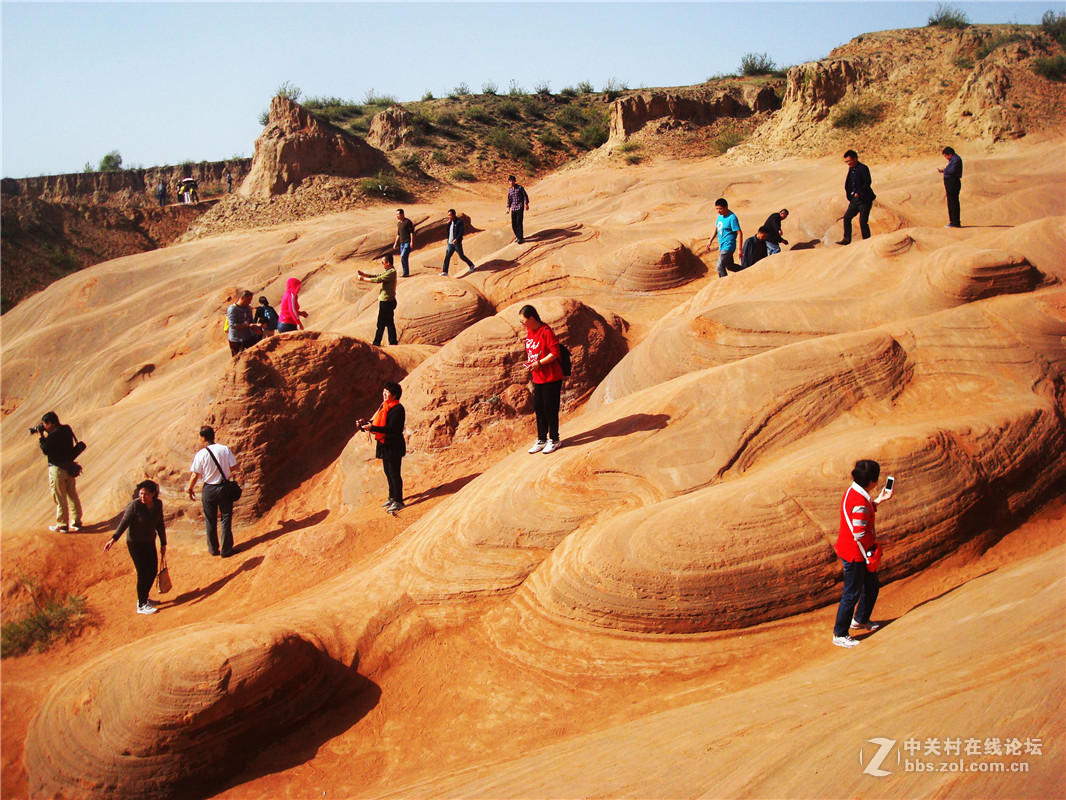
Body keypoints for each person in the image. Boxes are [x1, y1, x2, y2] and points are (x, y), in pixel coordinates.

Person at [832, 459, 893, 648]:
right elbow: (859, 533)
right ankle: (840, 633)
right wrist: (877, 541)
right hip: (854, 554)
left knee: (872, 585)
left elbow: (860, 513)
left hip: (852, 549)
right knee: (851, 593)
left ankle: (860, 620)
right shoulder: (860, 499)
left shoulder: (854, 492)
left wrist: (877, 501)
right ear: (872, 482)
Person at [104, 480, 166, 615]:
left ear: (153, 494)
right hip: (135, 543)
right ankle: (141, 604)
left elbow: (160, 523)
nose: (143, 496)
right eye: (141, 493)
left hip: (149, 541)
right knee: (143, 572)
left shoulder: (158, 505)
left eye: (146, 494)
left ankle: (145, 597)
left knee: (152, 570)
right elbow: (124, 523)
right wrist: (113, 539)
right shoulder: (134, 506)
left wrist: (163, 543)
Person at [186, 426, 239, 557]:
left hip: (209, 489)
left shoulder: (201, 454)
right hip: (224, 488)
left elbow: (195, 475)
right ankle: (226, 550)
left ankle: (213, 549)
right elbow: (234, 467)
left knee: (210, 519)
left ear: (203, 438)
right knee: (226, 518)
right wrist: (225, 475)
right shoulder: (224, 449)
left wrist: (189, 489)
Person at [520, 304, 564, 454]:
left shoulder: (546, 332)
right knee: (539, 409)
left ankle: (555, 439)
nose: (522, 324)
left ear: (531, 318)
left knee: (550, 409)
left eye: (523, 321)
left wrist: (539, 363)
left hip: (551, 377)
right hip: (538, 377)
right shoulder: (530, 332)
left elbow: (555, 353)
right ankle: (541, 439)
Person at [358, 382, 407, 512]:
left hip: (394, 445)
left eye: (387, 392)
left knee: (394, 473)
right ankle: (392, 497)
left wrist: (372, 427)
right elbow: (378, 423)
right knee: (388, 472)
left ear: (395, 395)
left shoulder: (398, 409)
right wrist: (365, 424)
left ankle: (398, 501)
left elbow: (392, 428)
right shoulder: (384, 407)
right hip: (385, 445)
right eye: (384, 391)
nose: (384, 394)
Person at [37, 411, 83, 533]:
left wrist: (42, 436)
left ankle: (62, 525)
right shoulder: (66, 429)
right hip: (69, 468)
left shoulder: (54, 434)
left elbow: (45, 449)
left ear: (50, 423)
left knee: (60, 498)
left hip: (57, 470)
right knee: (73, 495)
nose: (44, 427)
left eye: (45, 424)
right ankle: (77, 522)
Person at [357, 254, 399, 346]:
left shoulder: (391, 272)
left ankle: (377, 342)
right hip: (388, 300)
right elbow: (378, 275)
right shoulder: (389, 271)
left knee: (381, 323)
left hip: (386, 301)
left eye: (383, 262)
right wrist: (365, 274)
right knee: (389, 322)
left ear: (388, 263)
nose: (382, 264)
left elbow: (378, 279)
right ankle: (393, 341)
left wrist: (363, 279)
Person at [838, 150, 876, 244]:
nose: (848, 163)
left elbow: (868, 182)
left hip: (865, 200)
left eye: (849, 161)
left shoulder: (863, 168)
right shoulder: (851, 169)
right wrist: (850, 196)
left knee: (863, 221)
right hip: (855, 200)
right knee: (847, 217)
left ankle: (866, 241)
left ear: (855, 159)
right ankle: (846, 239)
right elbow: (848, 183)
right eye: (846, 162)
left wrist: (859, 192)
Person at [711, 198, 743, 278]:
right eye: (717, 209)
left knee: (720, 267)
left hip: (728, 245)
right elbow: (716, 228)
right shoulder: (720, 216)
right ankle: (746, 271)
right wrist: (710, 240)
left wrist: (739, 249)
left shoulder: (732, 218)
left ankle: (724, 285)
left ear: (726, 207)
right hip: (722, 245)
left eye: (720, 208)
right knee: (730, 266)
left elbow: (739, 233)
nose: (718, 211)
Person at [226, 291, 264, 356]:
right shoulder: (233, 309)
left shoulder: (248, 308)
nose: (250, 302)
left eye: (251, 300)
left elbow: (251, 321)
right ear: (242, 298)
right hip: (237, 340)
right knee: (238, 359)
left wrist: (255, 327)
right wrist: (248, 326)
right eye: (248, 299)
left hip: (249, 337)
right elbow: (233, 325)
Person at [441, 209, 475, 276]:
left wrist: (457, 239)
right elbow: (448, 231)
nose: (449, 217)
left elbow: (461, 232)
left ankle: (471, 265)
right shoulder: (450, 222)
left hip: (456, 243)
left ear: (453, 215)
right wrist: (448, 225)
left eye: (450, 215)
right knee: (447, 257)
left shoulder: (459, 222)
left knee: (461, 256)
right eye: (448, 215)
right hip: (450, 243)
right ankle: (445, 272)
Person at [938, 146, 963, 228]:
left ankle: (955, 222)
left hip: (953, 182)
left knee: (953, 202)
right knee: (951, 202)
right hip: (950, 182)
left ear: (949, 154)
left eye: (945, 156)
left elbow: (953, 171)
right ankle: (953, 221)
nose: (946, 158)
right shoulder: (953, 159)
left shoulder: (956, 159)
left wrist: (944, 170)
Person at [506, 175, 530, 244]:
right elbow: (509, 200)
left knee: (519, 222)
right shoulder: (510, 190)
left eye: (512, 180)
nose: (511, 182)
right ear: (509, 182)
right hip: (513, 208)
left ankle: (520, 238)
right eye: (510, 181)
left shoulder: (520, 188)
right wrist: (508, 208)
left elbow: (525, 195)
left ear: (515, 181)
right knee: (514, 224)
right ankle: (517, 236)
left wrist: (526, 204)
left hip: (520, 207)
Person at [393, 209, 416, 278]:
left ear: (402, 214)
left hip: (407, 242)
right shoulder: (399, 223)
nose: (397, 216)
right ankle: (405, 272)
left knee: (403, 256)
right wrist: (395, 243)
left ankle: (406, 272)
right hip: (401, 243)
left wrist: (412, 242)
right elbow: (398, 234)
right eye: (396, 214)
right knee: (403, 258)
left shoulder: (407, 222)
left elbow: (411, 232)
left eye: (398, 214)